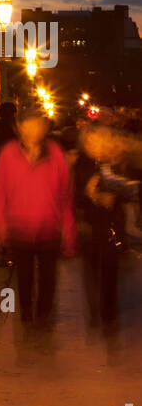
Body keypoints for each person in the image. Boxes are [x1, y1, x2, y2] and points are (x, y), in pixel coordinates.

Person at [0, 103, 77, 328]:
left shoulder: (55, 154)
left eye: (38, 125)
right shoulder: (8, 154)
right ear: (19, 127)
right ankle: (26, 312)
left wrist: (69, 229)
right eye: (28, 125)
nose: (33, 130)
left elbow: (65, 196)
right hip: (20, 228)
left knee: (48, 278)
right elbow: (0, 194)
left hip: (49, 227)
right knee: (24, 277)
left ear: (45, 127)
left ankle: (44, 314)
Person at [75, 123, 141, 333]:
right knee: (93, 270)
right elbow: (73, 194)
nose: (96, 145)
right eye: (91, 141)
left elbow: (131, 188)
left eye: (100, 140)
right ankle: (96, 309)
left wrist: (116, 194)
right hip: (89, 227)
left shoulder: (114, 162)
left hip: (113, 227)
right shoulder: (81, 163)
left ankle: (109, 315)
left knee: (110, 271)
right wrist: (91, 196)